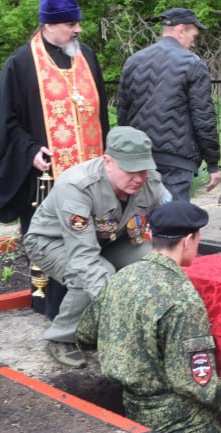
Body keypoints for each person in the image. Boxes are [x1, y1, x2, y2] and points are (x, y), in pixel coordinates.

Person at [77, 201, 221, 433]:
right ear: (188, 240)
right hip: (180, 418)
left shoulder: (122, 278)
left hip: (132, 406)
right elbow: (196, 384)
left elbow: (85, 336)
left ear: (152, 237)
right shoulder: (182, 299)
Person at [0, 0, 110, 317]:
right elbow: (4, 122)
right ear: (48, 25)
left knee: (90, 236)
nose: (78, 29)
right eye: (71, 24)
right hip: (48, 176)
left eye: (78, 22)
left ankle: (91, 301)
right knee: (55, 239)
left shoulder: (87, 57)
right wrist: (29, 151)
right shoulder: (23, 63)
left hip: (90, 172)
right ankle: (52, 305)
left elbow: (102, 114)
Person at [23, 126, 169, 368]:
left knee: (152, 261)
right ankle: (61, 339)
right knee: (91, 274)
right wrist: (116, 313)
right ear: (108, 161)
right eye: (130, 170)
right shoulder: (77, 186)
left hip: (109, 239)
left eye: (142, 170)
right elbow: (84, 257)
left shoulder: (149, 180)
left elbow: (172, 212)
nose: (138, 178)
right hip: (52, 242)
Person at [115, 7, 221, 201]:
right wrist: (213, 163)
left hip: (139, 158)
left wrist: (125, 154)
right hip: (176, 161)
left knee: (140, 221)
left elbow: (122, 113)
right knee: (173, 222)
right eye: (193, 36)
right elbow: (203, 118)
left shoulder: (134, 61)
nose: (193, 43)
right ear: (181, 30)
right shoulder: (192, 64)